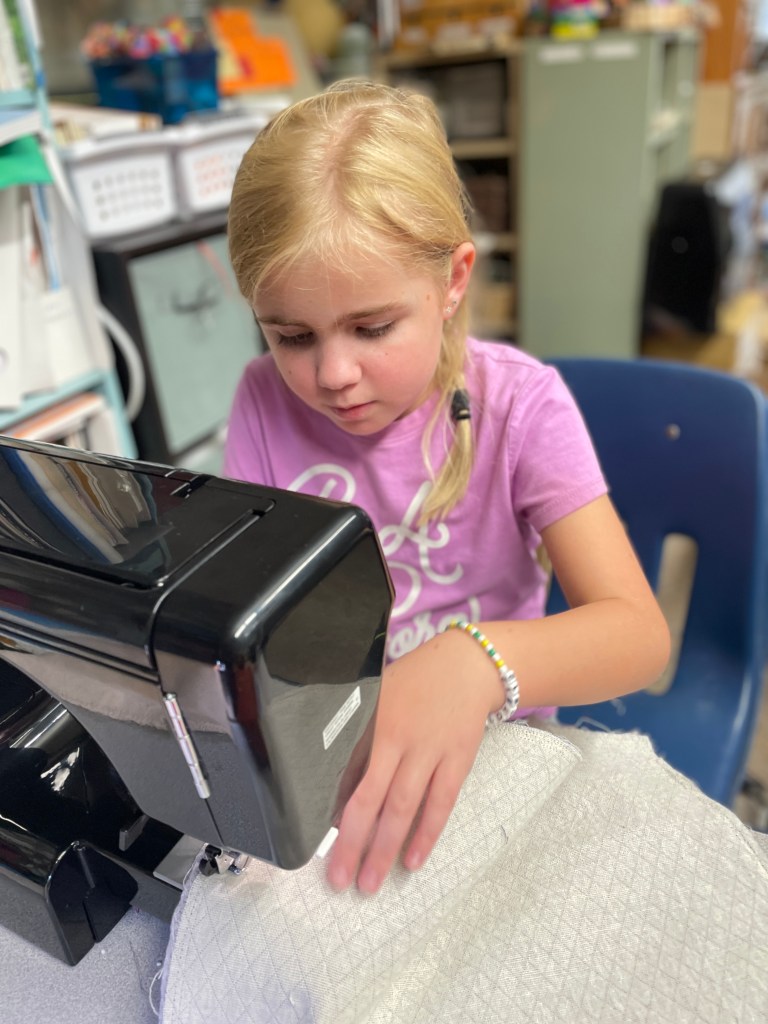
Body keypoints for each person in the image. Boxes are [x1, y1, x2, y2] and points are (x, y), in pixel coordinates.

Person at [224, 79, 670, 896]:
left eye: (371, 327)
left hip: (503, 754)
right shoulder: (261, 400)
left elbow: (639, 636)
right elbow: (252, 615)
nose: (332, 374)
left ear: (454, 279)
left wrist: (473, 659)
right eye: (292, 336)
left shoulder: (522, 406)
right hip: (342, 755)